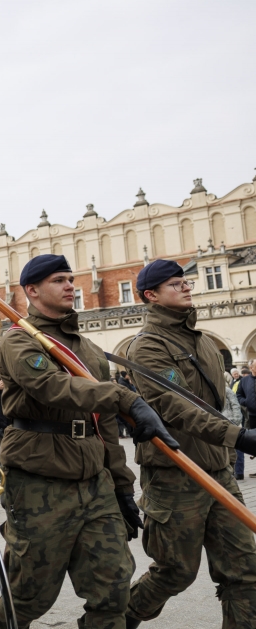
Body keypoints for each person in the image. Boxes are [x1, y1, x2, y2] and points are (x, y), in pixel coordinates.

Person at [0, 254, 180, 628]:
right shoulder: (17, 341)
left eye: (70, 278)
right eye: (59, 280)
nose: (69, 286)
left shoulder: (89, 349)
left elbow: (103, 425)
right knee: (30, 594)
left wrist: (122, 487)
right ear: (32, 291)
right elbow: (53, 388)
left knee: (112, 590)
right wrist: (126, 398)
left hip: (94, 481)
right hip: (39, 479)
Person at [122, 260, 256, 628]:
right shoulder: (146, 346)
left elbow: (221, 404)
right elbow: (173, 406)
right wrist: (238, 437)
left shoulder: (202, 341)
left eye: (186, 282)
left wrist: (229, 448)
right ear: (151, 295)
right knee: (175, 572)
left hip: (217, 469)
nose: (186, 287)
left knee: (245, 571)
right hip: (175, 471)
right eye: (175, 284)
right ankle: (110, 623)